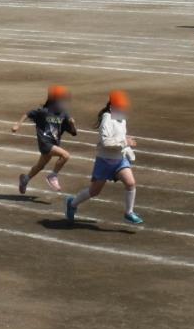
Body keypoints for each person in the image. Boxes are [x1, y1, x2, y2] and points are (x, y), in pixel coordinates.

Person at [66, 90, 143, 225]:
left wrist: (128, 147)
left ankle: (129, 212)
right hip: (105, 161)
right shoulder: (107, 119)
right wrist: (125, 142)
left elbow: (120, 138)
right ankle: (72, 203)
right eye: (120, 106)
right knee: (94, 191)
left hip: (119, 160)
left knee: (130, 183)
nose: (123, 108)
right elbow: (106, 142)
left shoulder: (122, 119)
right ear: (112, 106)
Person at [12, 85, 77, 194]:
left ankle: (25, 179)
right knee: (65, 155)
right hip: (45, 143)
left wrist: (72, 124)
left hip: (54, 144)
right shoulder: (44, 112)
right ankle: (53, 176)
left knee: (40, 166)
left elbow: (74, 133)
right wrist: (18, 125)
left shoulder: (63, 114)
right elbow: (28, 114)